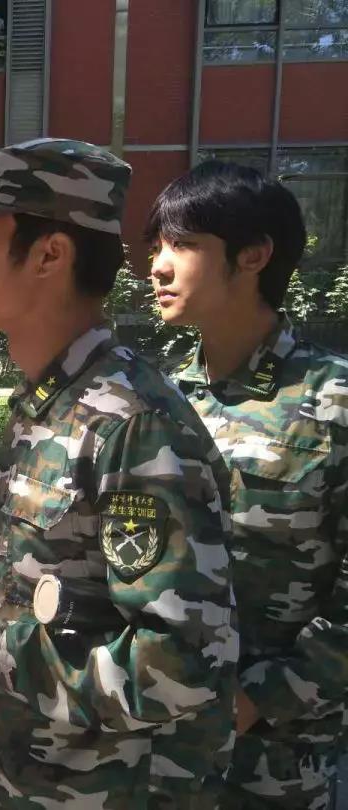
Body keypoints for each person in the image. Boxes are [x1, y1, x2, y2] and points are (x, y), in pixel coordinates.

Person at [0, 139, 238, 808]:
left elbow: (183, 665)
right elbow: (67, 576)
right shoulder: (51, 401)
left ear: (49, 255)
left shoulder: (131, 423)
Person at [147, 160, 348, 809]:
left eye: (183, 244)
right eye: (157, 245)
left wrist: (260, 696)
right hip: (157, 742)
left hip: (275, 758)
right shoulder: (161, 398)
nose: (158, 266)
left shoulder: (332, 402)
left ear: (254, 255)